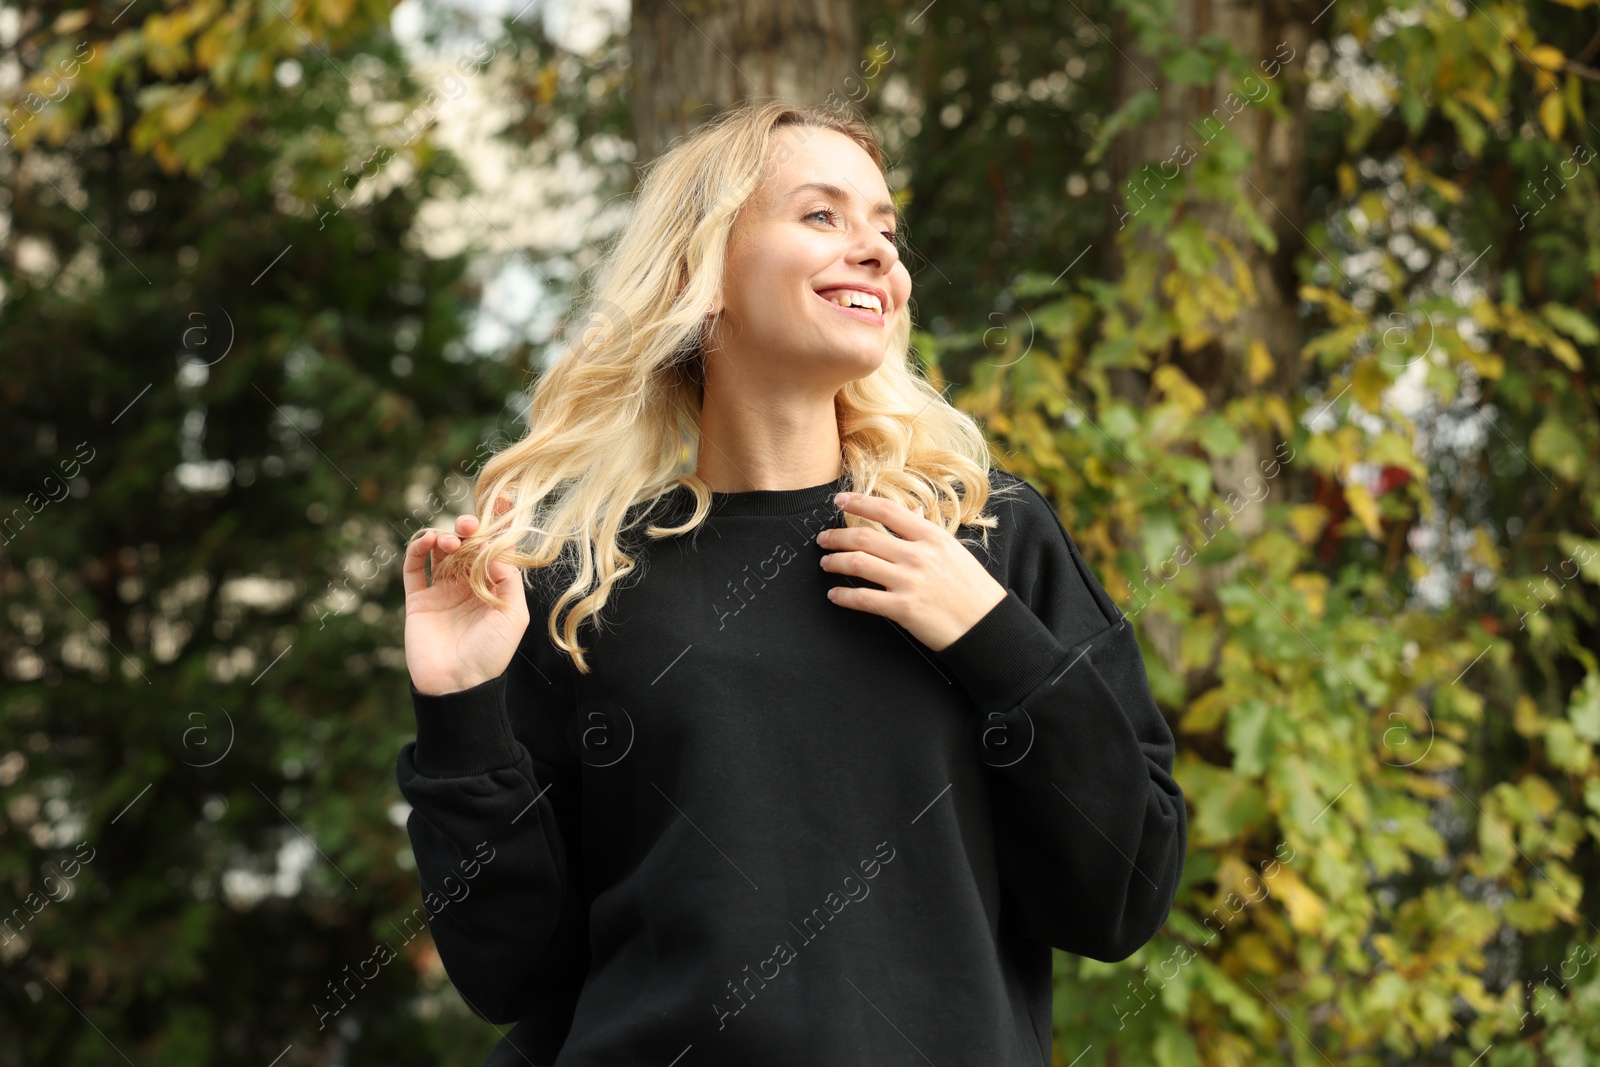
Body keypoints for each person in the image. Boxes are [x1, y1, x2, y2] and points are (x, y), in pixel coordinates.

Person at [396, 97, 1187, 1066]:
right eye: (822, 215)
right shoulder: (580, 582)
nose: (878, 254)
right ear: (705, 267)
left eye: (886, 231)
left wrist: (992, 635)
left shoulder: (985, 538)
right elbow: (513, 971)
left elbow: (1121, 893)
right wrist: (459, 707)